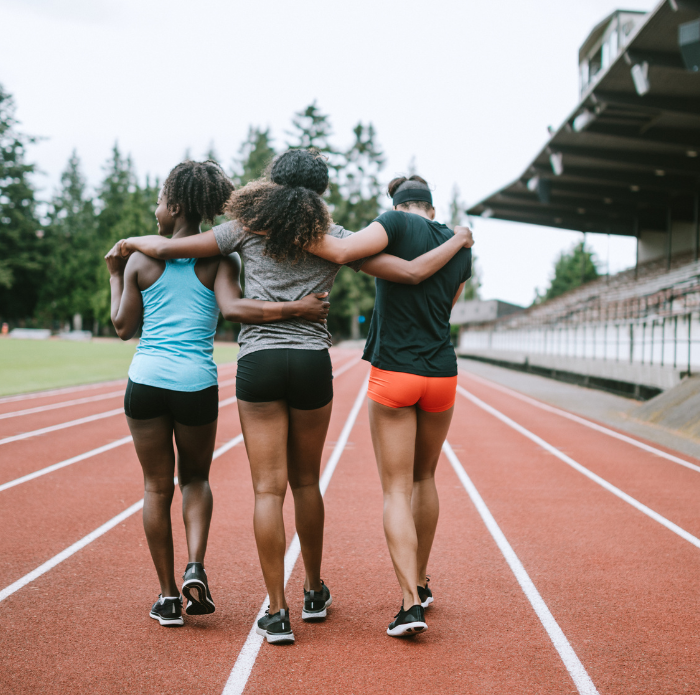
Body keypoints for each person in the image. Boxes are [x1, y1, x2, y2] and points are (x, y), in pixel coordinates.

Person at [116, 149, 472, 644]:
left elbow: (182, 248)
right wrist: (453, 243)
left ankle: (277, 613)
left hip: (259, 364)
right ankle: (312, 591)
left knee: (268, 490)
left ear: (273, 182)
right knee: (306, 483)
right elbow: (399, 270)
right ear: (319, 191)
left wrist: (133, 243)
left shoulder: (245, 227)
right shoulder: (333, 236)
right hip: (311, 363)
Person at [106, 159, 331, 629]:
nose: (155, 209)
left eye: (161, 201)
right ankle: (208, 569)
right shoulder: (225, 258)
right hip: (199, 382)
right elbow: (231, 306)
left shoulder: (148, 258)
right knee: (201, 481)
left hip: (149, 378)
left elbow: (123, 327)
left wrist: (118, 268)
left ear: (177, 204)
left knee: (157, 487)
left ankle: (173, 598)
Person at [302, 175, 472, 637]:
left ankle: (410, 604)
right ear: (431, 210)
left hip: (396, 370)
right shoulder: (461, 246)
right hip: (442, 372)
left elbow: (346, 252)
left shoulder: (392, 223)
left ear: (397, 206)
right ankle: (420, 579)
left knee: (396, 490)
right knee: (425, 478)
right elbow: (448, 306)